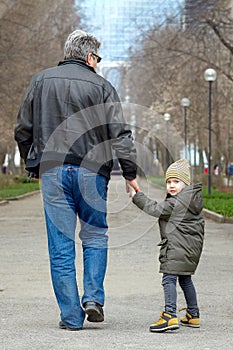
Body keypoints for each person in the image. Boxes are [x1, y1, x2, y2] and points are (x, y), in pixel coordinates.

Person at [14, 29, 139, 331]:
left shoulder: (40, 81)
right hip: (92, 173)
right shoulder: (103, 87)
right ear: (88, 56)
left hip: (54, 171)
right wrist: (130, 172)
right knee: (95, 236)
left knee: (60, 245)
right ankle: (93, 299)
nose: (98, 63)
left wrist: (34, 164)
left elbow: (22, 129)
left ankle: (71, 317)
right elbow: (119, 133)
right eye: (98, 58)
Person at [128, 159, 204, 333]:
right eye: (169, 182)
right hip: (191, 249)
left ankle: (170, 315)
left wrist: (137, 195)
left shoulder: (177, 202)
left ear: (186, 183)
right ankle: (193, 314)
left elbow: (154, 208)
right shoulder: (191, 199)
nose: (171, 186)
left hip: (176, 248)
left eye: (176, 182)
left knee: (169, 279)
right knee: (185, 279)